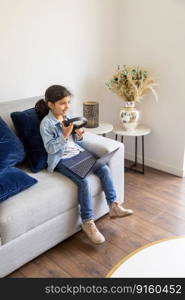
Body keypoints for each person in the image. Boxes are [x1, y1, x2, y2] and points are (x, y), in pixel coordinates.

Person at [36, 84, 133, 245]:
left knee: (104, 168)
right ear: (50, 105)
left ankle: (114, 206)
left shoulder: (67, 116)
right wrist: (65, 136)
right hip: (61, 160)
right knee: (83, 182)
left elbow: (76, 139)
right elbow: (50, 148)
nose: (67, 106)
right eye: (62, 103)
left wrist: (79, 135)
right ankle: (88, 222)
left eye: (68, 102)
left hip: (77, 152)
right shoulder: (46, 124)